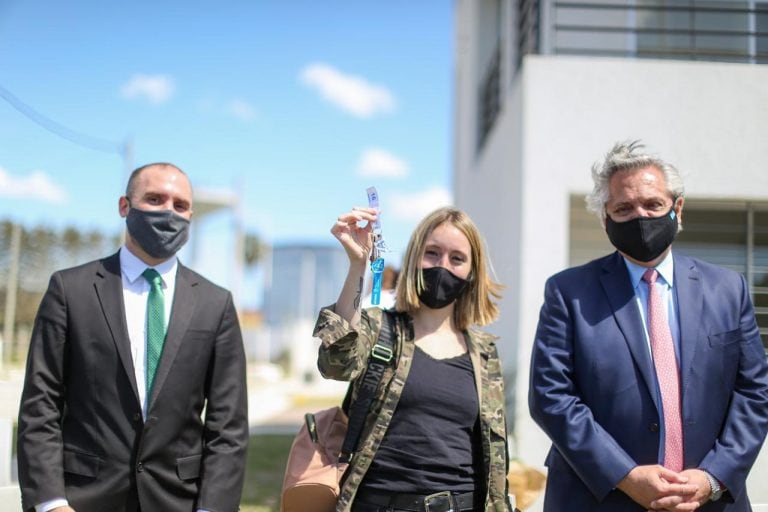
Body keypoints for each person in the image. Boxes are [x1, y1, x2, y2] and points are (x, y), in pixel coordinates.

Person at [528, 141, 768, 511]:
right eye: (624, 208)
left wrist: (712, 477)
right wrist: (624, 474)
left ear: (678, 209)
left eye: (653, 204)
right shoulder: (568, 292)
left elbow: (754, 392)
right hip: (599, 498)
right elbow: (550, 396)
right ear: (605, 218)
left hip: (709, 500)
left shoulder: (728, 289)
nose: (640, 217)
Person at [17, 163, 249, 512]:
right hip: (83, 501)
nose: (169, 212)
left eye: (180, 205)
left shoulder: (216, 304)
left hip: (178, 502)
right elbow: (41, 405)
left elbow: (228, 426)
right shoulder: (71, 290)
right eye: (155, 199)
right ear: (125, 206)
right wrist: (51, 502)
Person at [313, 205, 511, 512]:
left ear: (472, 273)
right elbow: (335, 364)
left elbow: (494, 453)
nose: (442, 265)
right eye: (432, 253)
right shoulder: (380, 328)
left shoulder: (484, 352)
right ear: (414, 257)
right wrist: (357, 266)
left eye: (457, 258)